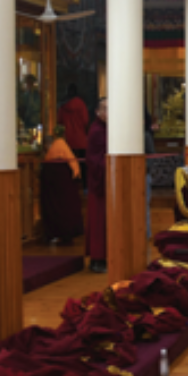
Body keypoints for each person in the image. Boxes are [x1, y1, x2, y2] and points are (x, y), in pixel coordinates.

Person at [40, 125, 83, 245]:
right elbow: (74, 166)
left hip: (52, 184)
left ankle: (52, 234)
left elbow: (46, 169)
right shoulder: (65, 148)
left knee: (53, 207)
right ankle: (68, 234)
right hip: (67, 182)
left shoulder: (52, 152)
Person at [86, 98, 108, 275]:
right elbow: (95, 160)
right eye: (105, 109)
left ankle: (104, 256)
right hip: (98, 185)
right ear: (98, 112)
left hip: (107, 184)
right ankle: (97, 259)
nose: (109, 113)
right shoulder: (96, 131)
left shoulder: (106, 129)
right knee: (98, 223)